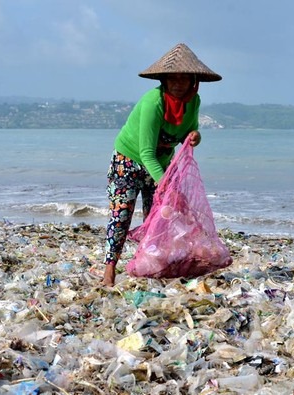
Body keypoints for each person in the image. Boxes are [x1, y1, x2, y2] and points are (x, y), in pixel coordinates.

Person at [100, 43, 222, 287]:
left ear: (193, 81)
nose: (178, 84)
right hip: (128, 162)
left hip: (160, 163)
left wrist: (196, 136)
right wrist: (168, 185)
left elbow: (189, 130)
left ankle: (150, 266)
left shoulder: (193, 102)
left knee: (158, 218)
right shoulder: (153, 103)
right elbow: (146, 152)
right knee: (121, 215)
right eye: (172, 79)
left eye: (183, 79)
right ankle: (109, 270)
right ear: (164, 80)